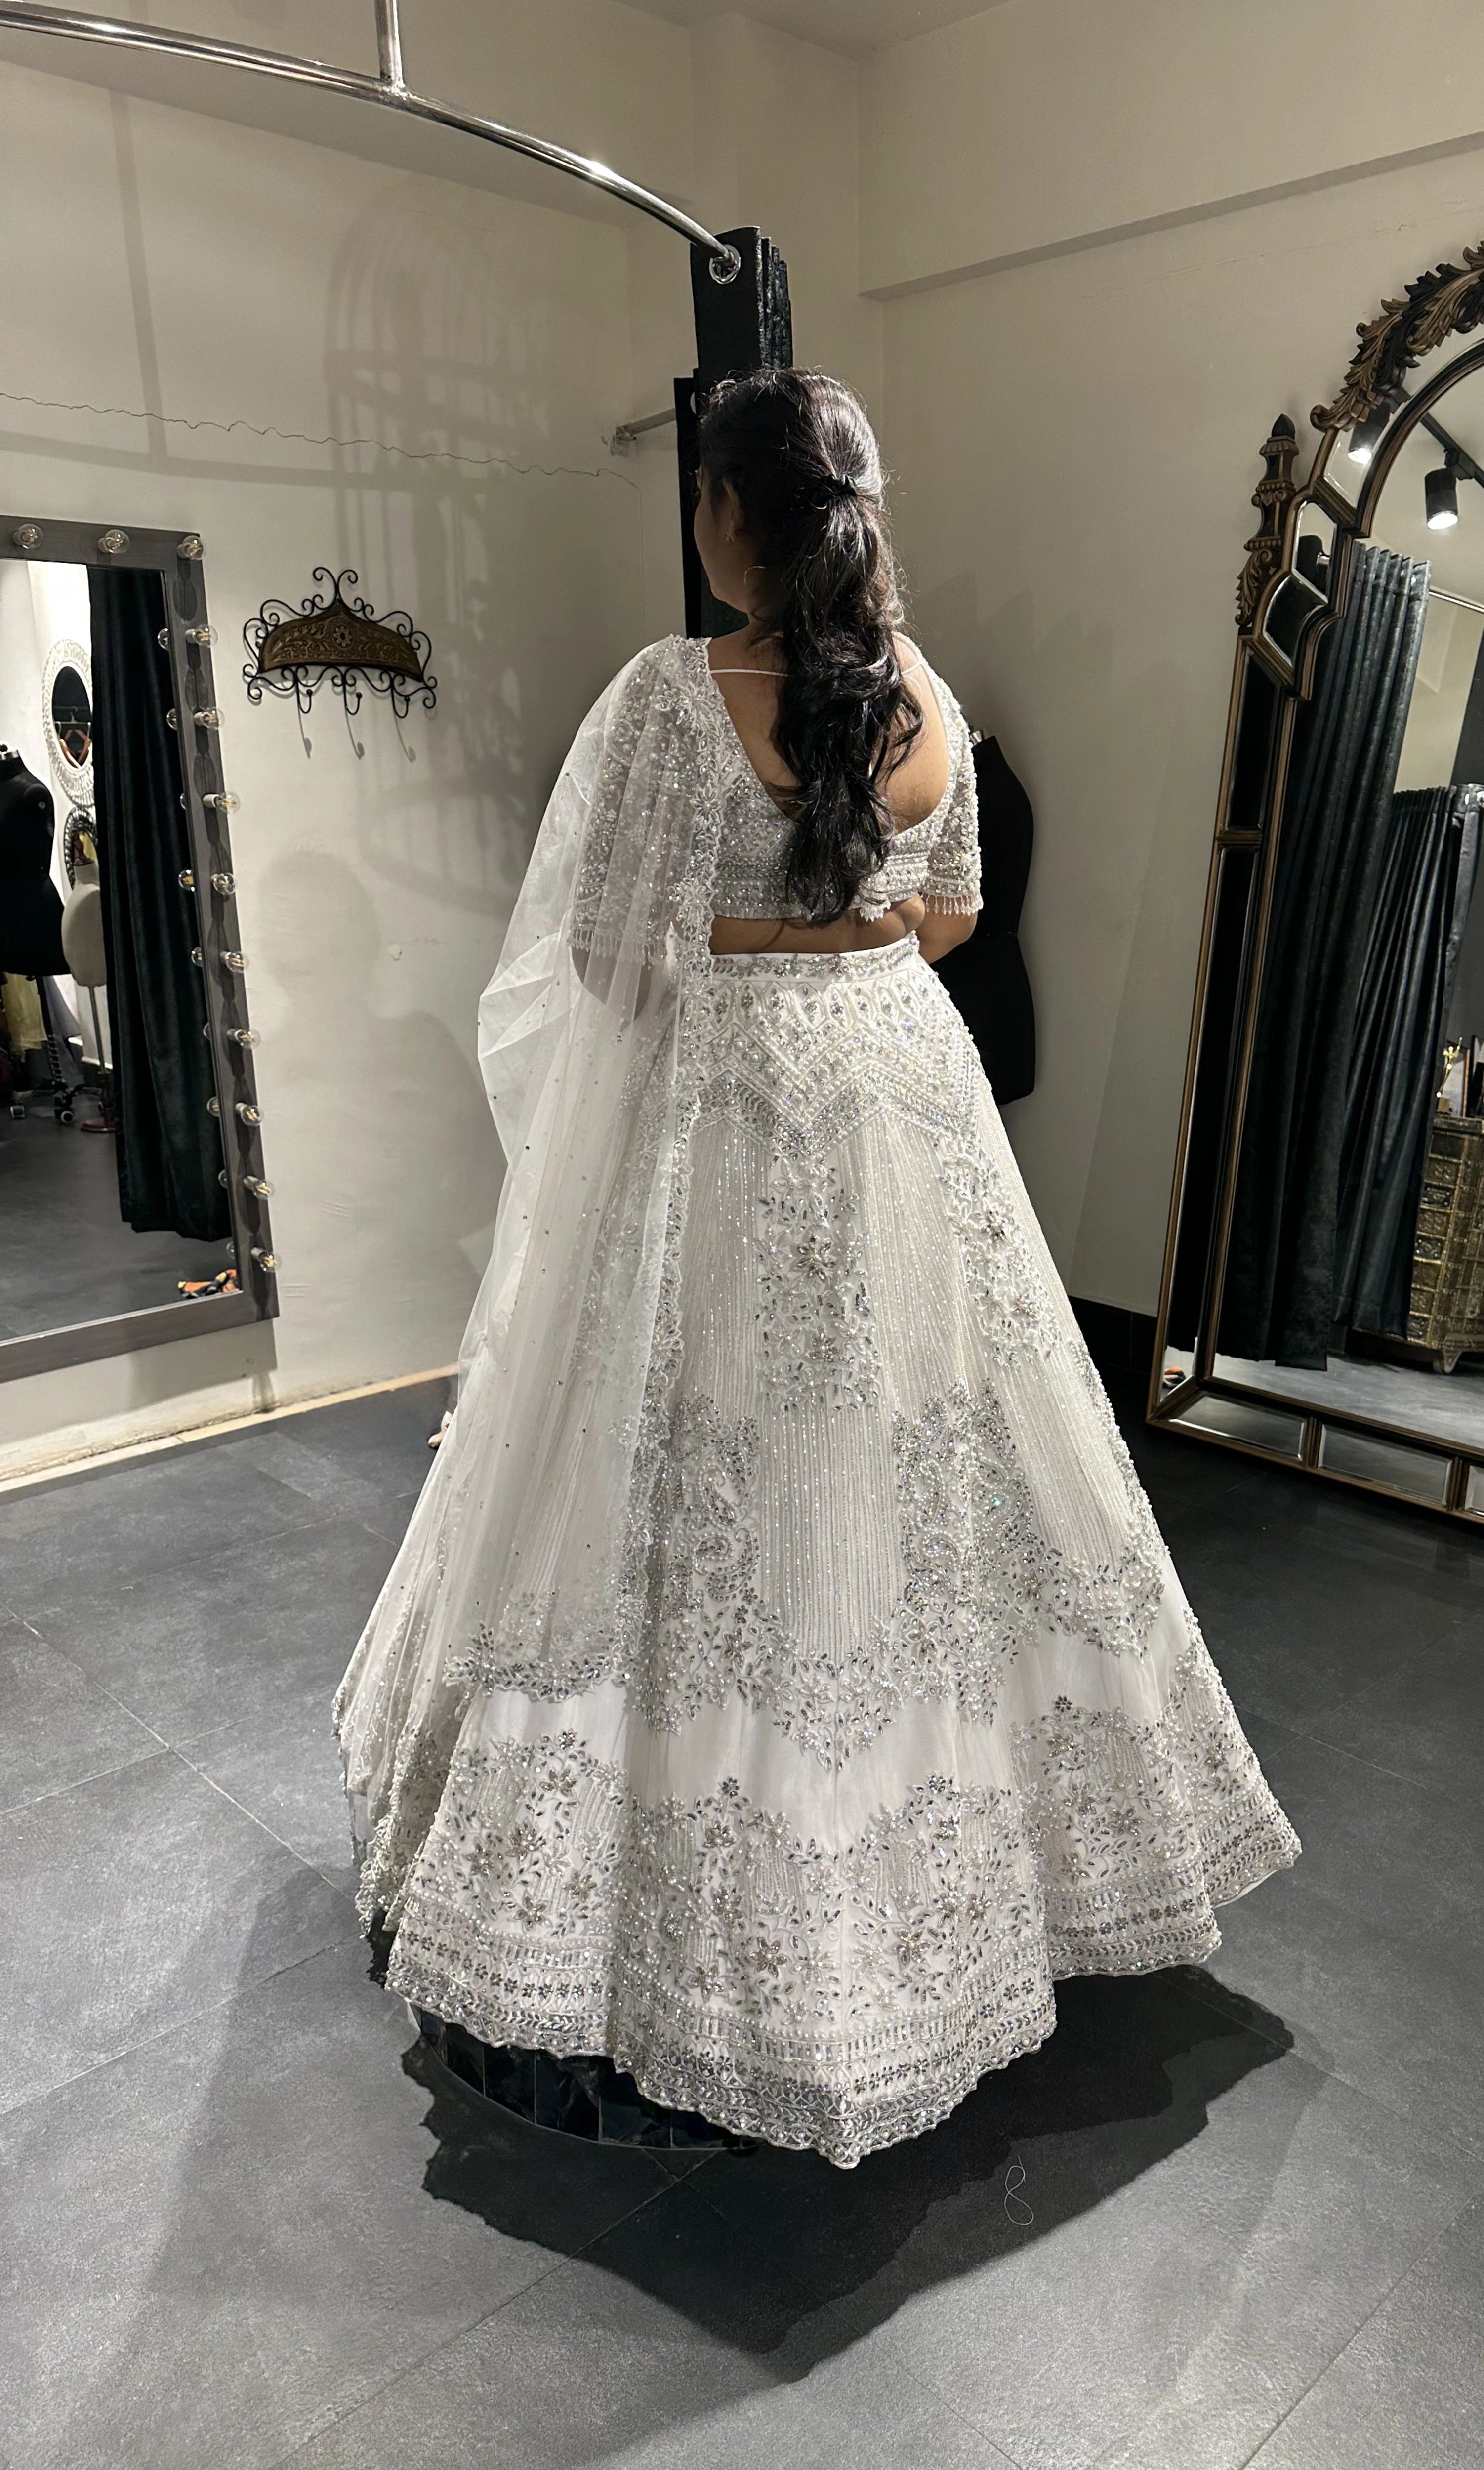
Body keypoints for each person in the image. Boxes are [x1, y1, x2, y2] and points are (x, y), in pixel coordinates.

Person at [337, 368, 1298, 2169]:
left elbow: (605, 956)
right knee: (930, 1448)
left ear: (733, 517)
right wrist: (847, 937)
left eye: (705, 499)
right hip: (900, 1092)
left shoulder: (670, 693)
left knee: (673, 1450)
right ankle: (1011, 1871)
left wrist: (741, 948)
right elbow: (955, 914)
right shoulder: (927, 694)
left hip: (722, 1101)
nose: (699, 526)